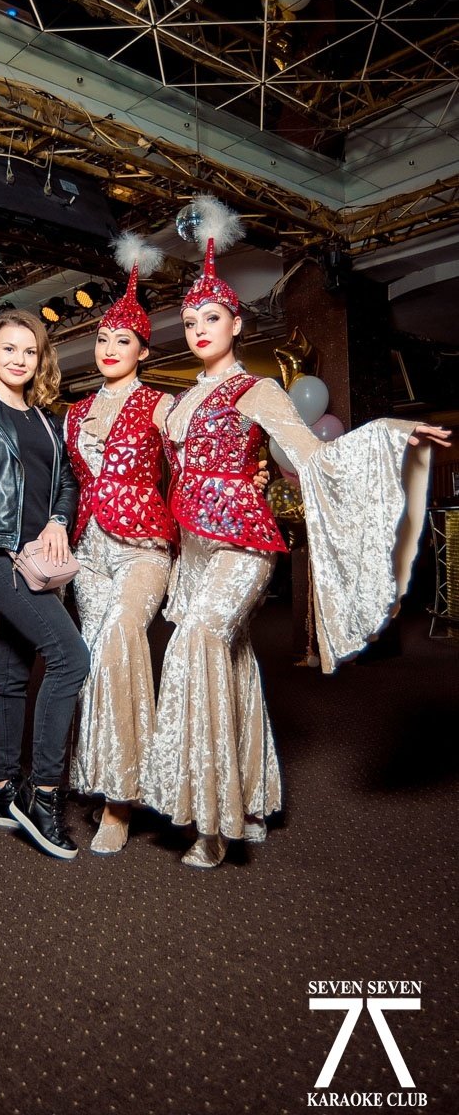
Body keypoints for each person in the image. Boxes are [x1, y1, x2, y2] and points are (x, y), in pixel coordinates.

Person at [141, 217, 451, 869]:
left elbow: (313, 456)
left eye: (211, 319)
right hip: (191, 549)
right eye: (190, 321)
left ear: (235, 325)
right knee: (228, 661)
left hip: (241, 546)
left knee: (197, 642)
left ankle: (212, 821)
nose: (199, 330)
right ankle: (247, 801)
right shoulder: (178, 402)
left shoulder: (256, 390)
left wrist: (388, 432)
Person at [0, 310, 89, 860]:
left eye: (29, 351)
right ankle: (43, 794)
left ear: (40, 359)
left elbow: (68, 481)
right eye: (8, 348)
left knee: (11, 671)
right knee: (70, 658)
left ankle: (3, 789)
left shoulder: (50, 421)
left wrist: (58, 520)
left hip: (37, 558)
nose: (18, 359)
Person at [65, 244, 180, 854]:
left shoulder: (161, 406)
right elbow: (66, 486)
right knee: (92, 656)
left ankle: (123, 798)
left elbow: (190, 474)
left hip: (143, 548)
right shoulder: (76, 412)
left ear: (143, 350)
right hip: (88, 552)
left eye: (123, 340)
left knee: (120, 641)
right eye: (103, 338)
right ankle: (103, 771)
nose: (110, 348)